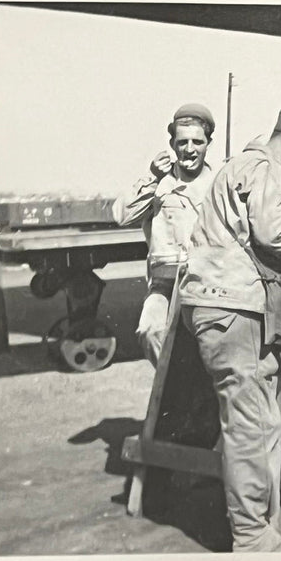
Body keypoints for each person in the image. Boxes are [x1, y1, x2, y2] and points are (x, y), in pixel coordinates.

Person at [178, 106, 281, 553]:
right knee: (250, 425)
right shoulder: (265, 167)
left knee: (261, 421)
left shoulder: (241, 164)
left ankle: (260, 529)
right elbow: (277, 236)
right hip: (233, 308)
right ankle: (251, 539)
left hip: (218, 304)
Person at [112, 103, 216, 366]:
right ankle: (173, 391)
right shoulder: (159, 183)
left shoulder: (219, 184)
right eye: (182, 142)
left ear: (208, 143)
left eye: (197, 141)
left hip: (207, 283)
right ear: (172, 144)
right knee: (151, 330)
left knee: (213, 343)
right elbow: (121, 216)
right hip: (165, 286)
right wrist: (151, 178)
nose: (189, 149)